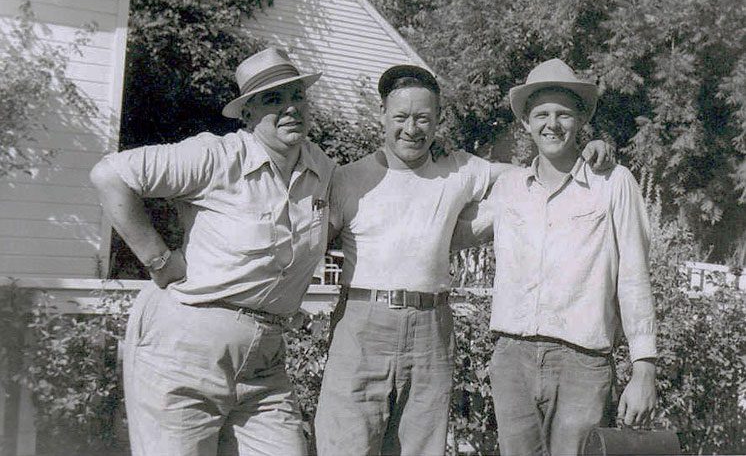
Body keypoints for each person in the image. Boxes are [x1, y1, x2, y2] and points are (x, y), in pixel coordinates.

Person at [313, 64, 615, 456]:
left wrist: (587, 153)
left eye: (423, 118)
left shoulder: (460, 169)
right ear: (382, 115)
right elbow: (309, 245)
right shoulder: (348, 178)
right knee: (346, 445)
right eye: (401, 117)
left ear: (438, 120)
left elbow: (539, 177)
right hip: (361, 325)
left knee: (420, 447)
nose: (412, 129)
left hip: (431, 331)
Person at [89, 48, 335, 456]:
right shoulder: (216, 157)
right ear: (248, 115)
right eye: (274, 99)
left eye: (297, 96)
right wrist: (160, 260)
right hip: (185, 348)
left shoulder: (321, 170)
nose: (290, 108)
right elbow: (109, 175)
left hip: (264, 361)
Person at [459, 58, 657, 455]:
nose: (552, 124)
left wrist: (645, 367)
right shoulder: (510, 188)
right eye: (541, 114)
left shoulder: (614, 183)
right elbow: (452, 231)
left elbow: (634, 276)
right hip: (512, 359)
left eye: (563, 113)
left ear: (581, 119)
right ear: (526, 123)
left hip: (582, 362)